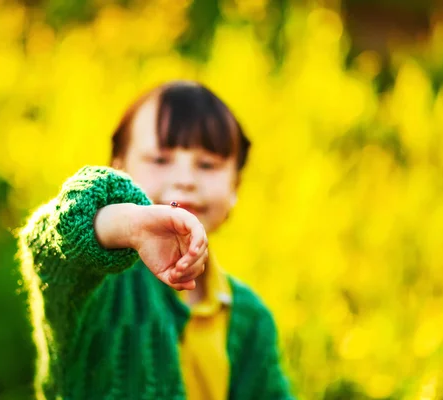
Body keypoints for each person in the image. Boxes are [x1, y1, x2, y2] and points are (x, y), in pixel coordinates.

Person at [18, 80, 295, 400]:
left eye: (208, 165)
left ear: (235, 186)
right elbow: (51, 242)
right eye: (160, 160)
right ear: (119, 169)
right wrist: (125, 225)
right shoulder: (98, 287)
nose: (185, 180)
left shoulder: (249, 318)